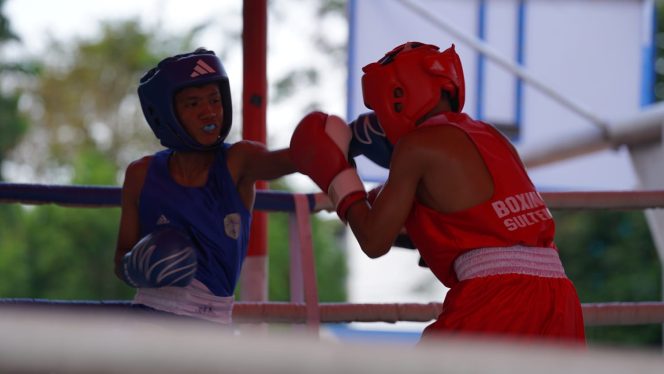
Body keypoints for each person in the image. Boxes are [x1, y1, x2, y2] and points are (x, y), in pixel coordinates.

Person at [290, 41, 586, 344]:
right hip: (559, 297)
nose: (380, 121)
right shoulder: (491, 135)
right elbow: (483, 228)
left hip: (498, 298)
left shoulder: (416, 145)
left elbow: (374, 239)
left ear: (397, 97)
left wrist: (339, 176)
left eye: (378, 111)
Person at [114, 48, 296, 325]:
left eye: (214, 100)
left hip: (209, 325)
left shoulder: (239, 160)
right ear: (167, 112)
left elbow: (285, 160)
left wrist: (335, 141)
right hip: (146, 318)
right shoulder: (140, 173)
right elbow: (120, 258)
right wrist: (137, 266)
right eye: (193, 104)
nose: (209, 112)